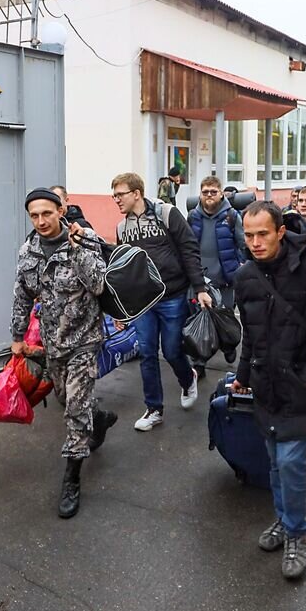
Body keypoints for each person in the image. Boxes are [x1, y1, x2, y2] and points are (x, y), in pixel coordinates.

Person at [232, 200, 306, 580]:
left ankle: (298, 533)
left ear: (281, 231)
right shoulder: (245, 276)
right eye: (249, 235)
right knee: (273, 461)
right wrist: (243, 374)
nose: (255, 242)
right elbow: (250, 333)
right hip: (266, 387)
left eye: (262, 234)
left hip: (303, 388)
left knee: (289, 462)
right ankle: (285, 521)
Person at [11, 188, 117, 519]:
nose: (41, 221)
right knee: (64, 399)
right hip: (52, 342)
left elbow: (99, 284)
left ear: (61, 210)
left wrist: (80, 246)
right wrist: (17, 335)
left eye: (47, 213)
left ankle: (71, 480)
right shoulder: (28, 251)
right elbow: (22, 295)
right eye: (34, 215)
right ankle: (97, 418)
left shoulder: (84, 240)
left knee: (73, 407)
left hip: (85, 338)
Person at [111, 172, 210, 431]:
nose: (116, 200)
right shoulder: (122, 228)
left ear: (136, 193)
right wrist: (121, 309)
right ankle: (154, 409)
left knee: (172, 350)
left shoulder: (167, 213)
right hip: (143, 302)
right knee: (146, 353)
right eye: (114, 196)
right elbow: (123, 270)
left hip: (173, 295)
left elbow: (189, 248)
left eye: (120, 194)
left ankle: (188, 378)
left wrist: (199, 287)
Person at [187, 175, 246, 378]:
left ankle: (228, 346)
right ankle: (199, 363)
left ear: (221, 193)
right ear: (200, 194)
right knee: (201, 321)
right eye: (205, 192)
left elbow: (243, 243)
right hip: (200, 282)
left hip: (225, 280)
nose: (209, 195)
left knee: (225, 318)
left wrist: (246, 267)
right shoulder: (193, 216)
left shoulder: (231, 216)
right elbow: (187, 246)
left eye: (213, 191)